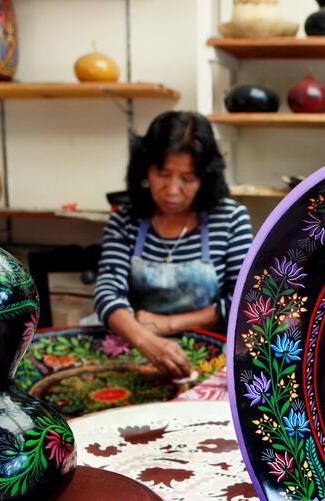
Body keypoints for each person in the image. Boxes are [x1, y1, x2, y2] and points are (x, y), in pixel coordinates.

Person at [93, 111, 253, 378]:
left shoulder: (230, 218)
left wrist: (169, 324)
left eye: (187, 179)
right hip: (138, 349)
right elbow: (107, 294)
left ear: (204, 178)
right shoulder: (125, 219)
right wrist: (147, 341)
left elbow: (240, 300)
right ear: (145, 169)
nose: (172, 190)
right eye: (163, 173)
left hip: (210, 357)